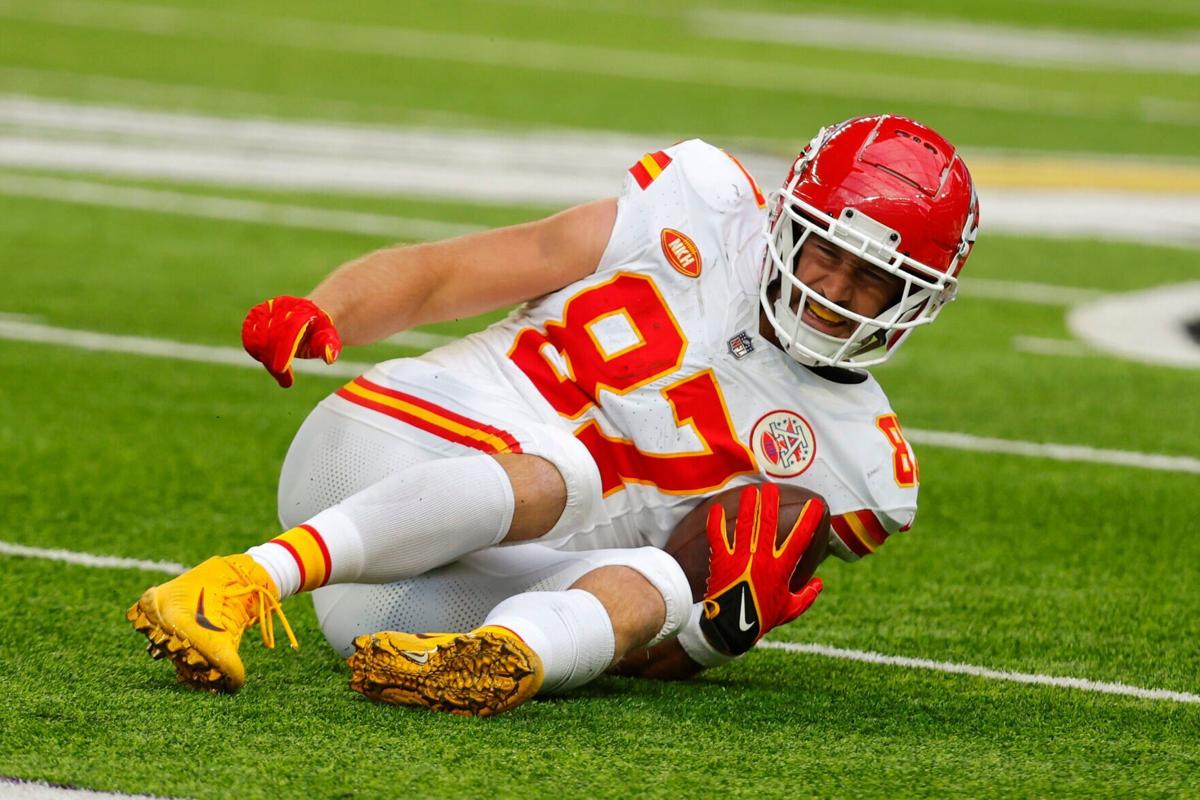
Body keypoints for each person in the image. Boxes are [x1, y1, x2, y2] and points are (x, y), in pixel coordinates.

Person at [126, 114, 979, 716]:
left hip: (414, 606)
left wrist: (717, 634)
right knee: (572, 470)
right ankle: (240, 582)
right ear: (790, 212)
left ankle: (488, 665)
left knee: (659, 581)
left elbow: (648, 651)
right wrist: (330, 308)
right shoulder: (697, 209)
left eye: (876, 280)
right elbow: (451, 272)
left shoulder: (860, 463)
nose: (835, 291)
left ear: (919, 301)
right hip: (381, 453)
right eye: (828, 250)